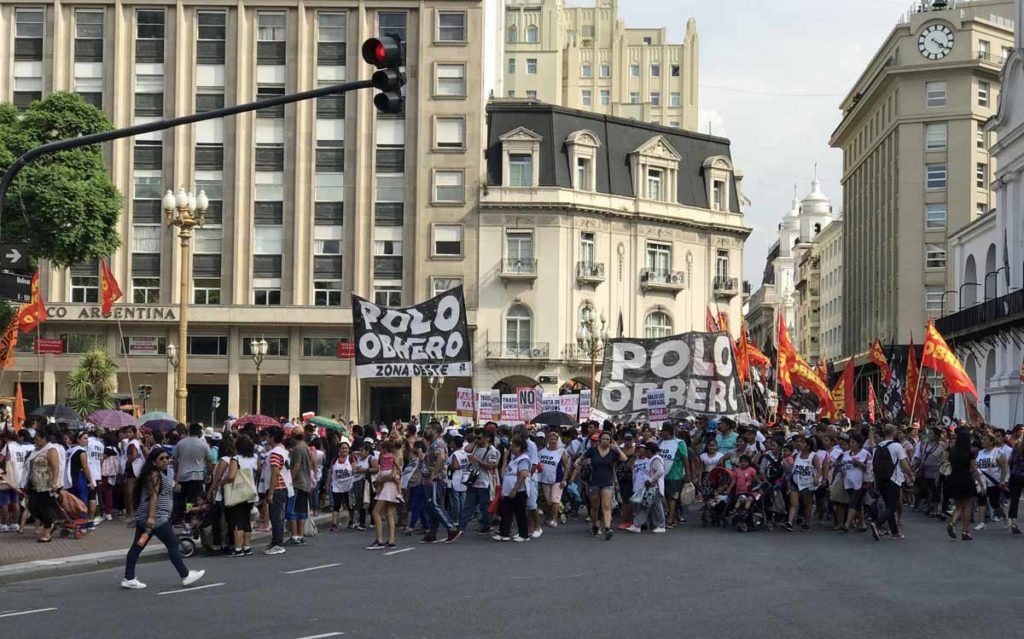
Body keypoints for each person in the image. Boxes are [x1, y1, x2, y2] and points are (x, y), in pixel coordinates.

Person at [121, 448, 205, 589]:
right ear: (154, 461)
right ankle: (185, 575)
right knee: (172, 545)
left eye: (167, 458)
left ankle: (129, 577)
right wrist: (152, 518)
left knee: (137, 546)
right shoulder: (154, 475)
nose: (166, 461)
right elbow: (153, 496)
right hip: (156, 518)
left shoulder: (154, 474)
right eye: (162, 458)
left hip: (147, 518)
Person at [570, 430, 627, 540]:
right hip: (594, 481)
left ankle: (607, 528)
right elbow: (581, 458)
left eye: (607, 439)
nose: (605, 441)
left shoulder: (613, 452)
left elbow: (624, 458)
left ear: (610, 441)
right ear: (600, 440)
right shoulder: (593, 450)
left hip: (607, 482)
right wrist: (577, 462)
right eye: (603, 439)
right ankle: (595, 525)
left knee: (606, 506)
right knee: (594, 506)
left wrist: (617, 448)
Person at [869, 424, 914, 541]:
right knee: (892, 505)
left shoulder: (878, 447)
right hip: (893, 480)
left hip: (880, 480)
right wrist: (911, 476)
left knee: (889, 505)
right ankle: (878, 524)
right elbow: (904, 464)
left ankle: (895, 532)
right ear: (893, 433)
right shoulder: (896, 446)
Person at [420, 421, 462, 544]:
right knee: (430, 506)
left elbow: (441, 458)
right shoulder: (433, 444)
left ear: (435, 430)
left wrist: (433, 474)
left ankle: (452, 528)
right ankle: (432, 533)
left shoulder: (438, 443)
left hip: (437, 479)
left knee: (435, 504)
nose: (426, 430)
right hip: (429, 478)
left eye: (428, 428)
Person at [223, 434, 258, 556]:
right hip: (250, 492)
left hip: (238, 494)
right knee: (246, 521)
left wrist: (223, 482)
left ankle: (238, 548)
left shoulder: (236, 459)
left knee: (237, 521)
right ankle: (247, 546)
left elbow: (231, 476)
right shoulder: (253, 458)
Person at [26, 425, 62, 543]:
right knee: (32, 506)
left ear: (43, 438)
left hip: (46, 485)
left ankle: (47, 533)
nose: (34, 440)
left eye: (36, 438)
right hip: (35, 484)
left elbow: (55, 467)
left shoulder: (51, 450)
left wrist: (54, 483)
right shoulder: (36, 450)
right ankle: (49, 524)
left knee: (44, 508)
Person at [460, 428, 499, 533]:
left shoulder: (492, 451)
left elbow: (491, 465)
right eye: (476, 438)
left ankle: (486, 525)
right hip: (473, 481)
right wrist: (475, 441)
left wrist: (477, 460)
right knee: (468, 505)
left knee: (484, 506)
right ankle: (461, 526)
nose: (478, 440)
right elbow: (466, 449)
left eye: (480, 438)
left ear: (487, 438)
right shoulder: (476, 447)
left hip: (485, 482)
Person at [946, 428, 982, 541]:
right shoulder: (970, 453)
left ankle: (952, 523)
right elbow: (974, 469)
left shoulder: (952, 451)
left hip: (954, 478)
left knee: (958, 506)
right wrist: (981, 483)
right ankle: (965, 531)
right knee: (967, 506)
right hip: (966, 478)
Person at [172, 424, 212, 522]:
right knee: (192, 499)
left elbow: (174, 458)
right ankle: (189, 518)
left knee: (181, 498)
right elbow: (209, 460)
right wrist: (209, 473)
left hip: (182, 476)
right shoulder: (203, 444)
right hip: (197, 477)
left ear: (189, 432)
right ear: (200, 432)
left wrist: (176, 471)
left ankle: (179, 517)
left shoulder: (181, 443)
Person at [367, 438, 403, 550]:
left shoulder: (393, 458)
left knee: (376, 512)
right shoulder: (388, 458)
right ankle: (391, 541)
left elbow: (393, 475)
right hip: (389, 488)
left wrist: (380, 480)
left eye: (381, 448)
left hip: (387, 488)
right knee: (389, 514)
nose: (380, 450)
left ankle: (379, 540)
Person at [262, 426, 292, 555]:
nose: (266, 437)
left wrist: (271, 492)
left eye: (268, 435)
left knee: (277, 518)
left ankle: (278, 544)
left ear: (273, 437)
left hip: (278, 488)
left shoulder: (275, 453)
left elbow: (275, 473)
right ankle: (275, 542)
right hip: (283, 487)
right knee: (277, 517)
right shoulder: (282, 451)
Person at [494, 436, 531, 542]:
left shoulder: (523, 459)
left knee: (520, 513)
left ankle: (523, 534)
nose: (511, 448)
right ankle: (504, 533)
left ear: (519, 447)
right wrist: (505, 458)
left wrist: (515, 489)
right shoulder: (514, 459)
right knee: (506, 512)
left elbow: (523, 475)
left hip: (518, 491)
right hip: (508, 491)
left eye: (513, 446)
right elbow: (503, 473)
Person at [627, 442, 667, 533]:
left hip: (654, 487)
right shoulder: (652, 459)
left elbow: (660, 471)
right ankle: (659, 525)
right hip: (652, 487)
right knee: (653, 506)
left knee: (646, 506)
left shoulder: (655, 459)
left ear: (649, 451)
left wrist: (651, 480)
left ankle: (638, 525)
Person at [973, 433, 1008, 531]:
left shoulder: (998, 452)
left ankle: (1005, 517)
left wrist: (1002, 480)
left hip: (993, 482)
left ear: (991, 442)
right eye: (982, 439)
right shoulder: (980, 453)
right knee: (981, 500)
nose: (982, 441)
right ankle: (982, 522)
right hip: (981, 482)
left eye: (985, 439)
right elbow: (977, 466)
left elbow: (1004, 468)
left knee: (994, 503)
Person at [784, 436, 820, 532]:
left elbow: (818, 469)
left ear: (808, 446)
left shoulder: (813, 456)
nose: (800, 444)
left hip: (808, 483)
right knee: (793, 503)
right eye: (799, 442)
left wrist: (817, 478)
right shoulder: (796, 455)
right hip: (796, 482)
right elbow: (792, 467)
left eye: (803, 443)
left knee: (807, 504)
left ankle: (807, 522)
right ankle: (790, 522)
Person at [286, 426, 313, 545]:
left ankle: (294, 536)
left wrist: (290, 480)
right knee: (301, 511)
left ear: (292, 436)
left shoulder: (297, 449)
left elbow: (296, 466)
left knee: (291, 511)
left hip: (297, 483)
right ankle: (300, 535)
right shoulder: (307, 448)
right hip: (306, 482)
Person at [658, 424, 688, 528]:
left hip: (675, 475)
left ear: (668, 431)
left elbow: (685, 459)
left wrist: (688, 475)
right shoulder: (660, 442)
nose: (661, 433)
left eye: (663, 431)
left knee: (672, 498)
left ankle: (670, 519)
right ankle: (674, 516)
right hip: (662, 475)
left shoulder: (679, 443)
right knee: (665, 497)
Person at [538, 430, 569, 527]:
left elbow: (566, 466)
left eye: (555, 439)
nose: (553, 441)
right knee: (548, 500)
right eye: (551, 439)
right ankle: (559, 512)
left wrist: (564, 479)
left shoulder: (561, 451)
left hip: (557, 479)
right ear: (548, 440)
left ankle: (554, 519)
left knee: (555, 499)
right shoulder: (542, 452)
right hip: (545, 479)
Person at [329, 441, 355, 531]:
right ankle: (334, 524)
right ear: (339, 449)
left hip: (348, 486)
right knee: (336, 505)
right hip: (337, 486)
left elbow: (354, 470)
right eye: (343, 448)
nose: (345, 450)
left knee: (349, 505)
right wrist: (327, 483)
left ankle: (351, 521)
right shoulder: (334, 460)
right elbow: (331, 472)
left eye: (346, 448)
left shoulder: (351, 458)